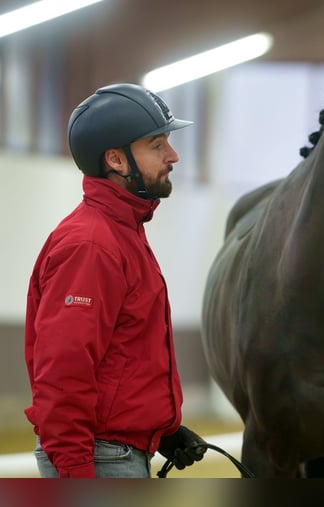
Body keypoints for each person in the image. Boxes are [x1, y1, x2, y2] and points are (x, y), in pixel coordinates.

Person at [24, 83, 207, 478]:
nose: (173, 156)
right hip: (98, 459)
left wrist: (165, 430)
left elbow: (123, 357)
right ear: (116, 160)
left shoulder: (122, 233)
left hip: (116, 453)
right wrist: (76, 473)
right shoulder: (92, 245)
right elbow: (63, 373)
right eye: (157, 145)